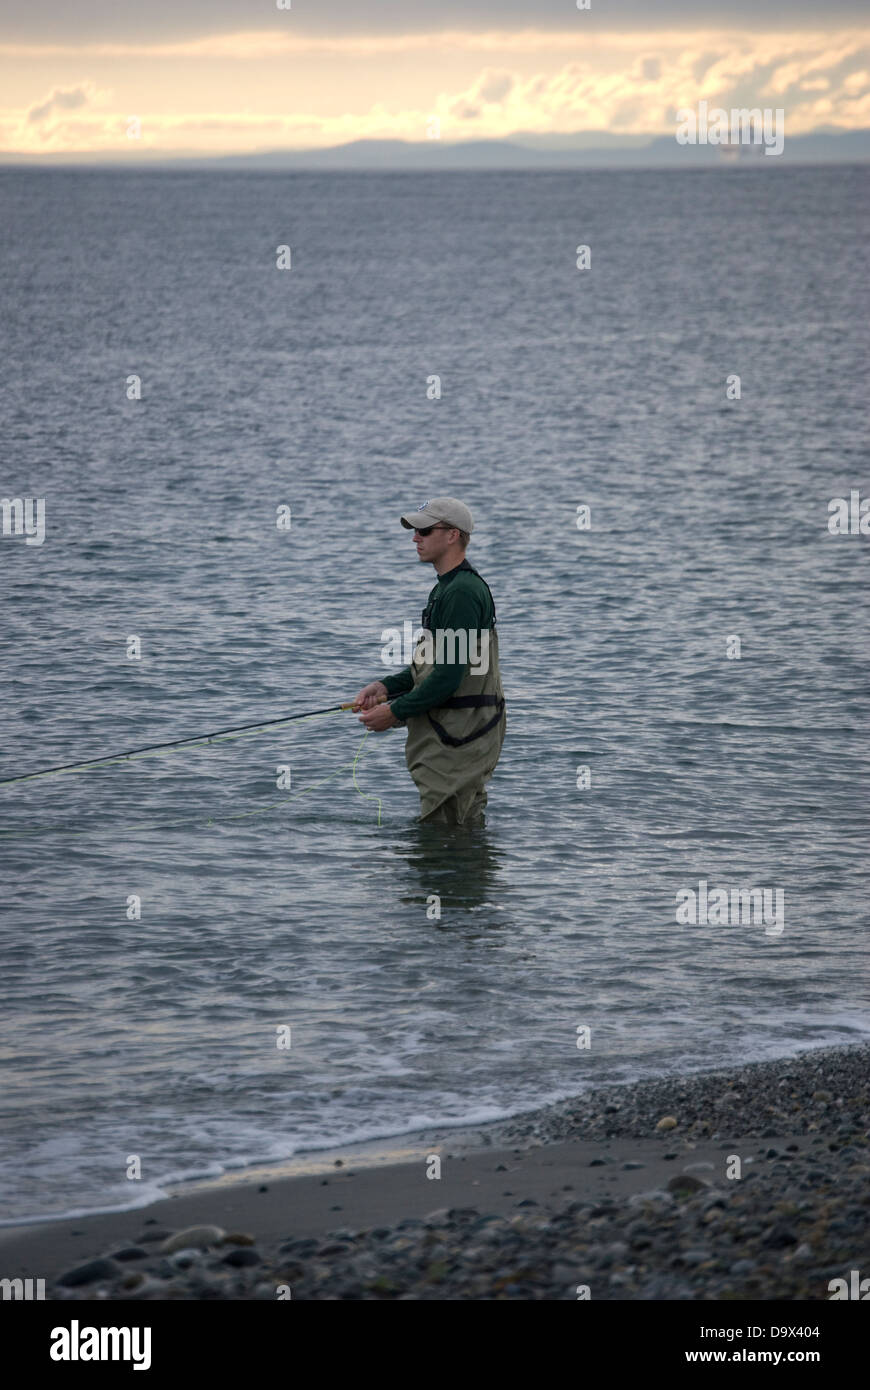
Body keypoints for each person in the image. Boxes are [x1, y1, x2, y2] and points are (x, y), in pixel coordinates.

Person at [353, 498, 506, 825]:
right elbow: (430, 668)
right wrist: (384, 687)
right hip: (453, 734)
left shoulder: (461, 593)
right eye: (414, 531)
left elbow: (448, 678)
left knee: (449, 831)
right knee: (458, 829)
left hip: (459, 737)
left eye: (423, 530)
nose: (414, 538)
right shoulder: (448, 589)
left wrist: (393, 711)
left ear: (452, 535)